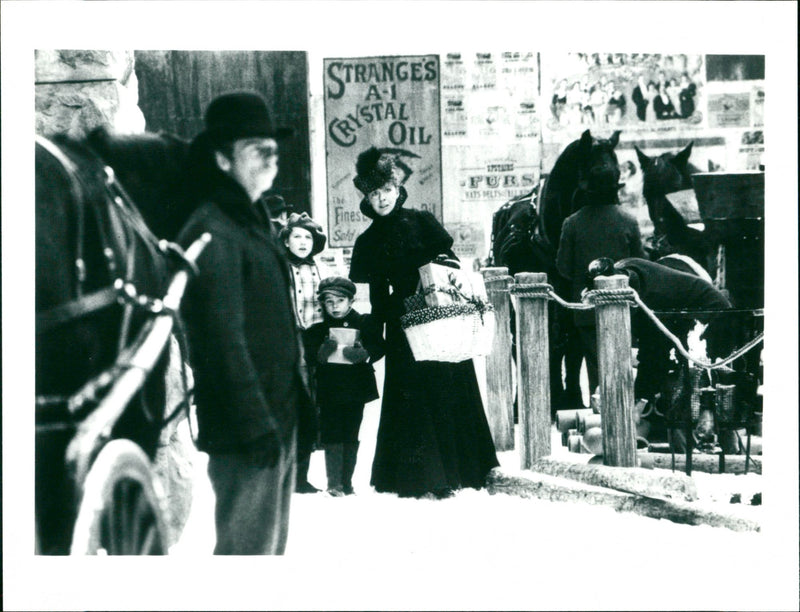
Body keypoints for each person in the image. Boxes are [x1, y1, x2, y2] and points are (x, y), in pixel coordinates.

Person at [177, 91, 310, 555]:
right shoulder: (214, 229)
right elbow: (220, 341)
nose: (271, 159)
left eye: (274, 148)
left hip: (276, 415)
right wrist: (256, 426)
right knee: (247, 559)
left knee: (267, 556)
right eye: (257, 149)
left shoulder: (252, 221)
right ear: (222, 158)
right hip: (246, 427)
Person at [348, 147, 499, 499]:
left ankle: (467, 469)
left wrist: (440, 278)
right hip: (404, 328)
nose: (381, 199)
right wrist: (375, 338)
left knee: (450, 387)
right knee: (413, 398)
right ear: (367, 199)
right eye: (373, 193)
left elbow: (450, 264)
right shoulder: (367, 242)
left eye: (385, 190)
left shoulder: (421, 221)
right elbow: (378, 298)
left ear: (398, 190)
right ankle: (425, 477)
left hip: (441, 318)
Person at [586, 257, 734, 448]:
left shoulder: (649, 298)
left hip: (711, 320)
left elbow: (654, 354)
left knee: (686, 386)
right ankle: (691, 447)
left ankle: (696, 452)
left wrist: (638, 404)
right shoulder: (627, 270)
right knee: (683, 386)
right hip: (687, 317)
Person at [556, 181, 645, 394]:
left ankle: (600, 418)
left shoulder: (572, 223)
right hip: (624, 308)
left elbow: (563, 268)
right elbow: (640, 263)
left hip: (587, 310)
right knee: (622, 366)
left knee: (597, 368)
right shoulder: (628, 220)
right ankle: (623, 414)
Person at [303, 277, 383, 496]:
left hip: (356, 388)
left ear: (351, 301)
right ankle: (335, 483)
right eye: (329, 302)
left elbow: (379, 345)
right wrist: (322, 353)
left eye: (340, 300)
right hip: (329, 388)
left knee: (351, 431)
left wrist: (365, 354)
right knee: (331, 433)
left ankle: (347, 482)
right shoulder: (317, 329)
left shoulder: (365, 322)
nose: (335, 306)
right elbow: (310, 355)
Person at [279, 211, 328, 493]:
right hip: (288, 340)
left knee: (310, 407)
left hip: (314, 339)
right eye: (296, 236)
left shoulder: (318, 269)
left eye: (308, 237)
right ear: (286, 241)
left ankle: (301, 477)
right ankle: (283, 476)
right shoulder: (278, 266)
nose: (302, 242)